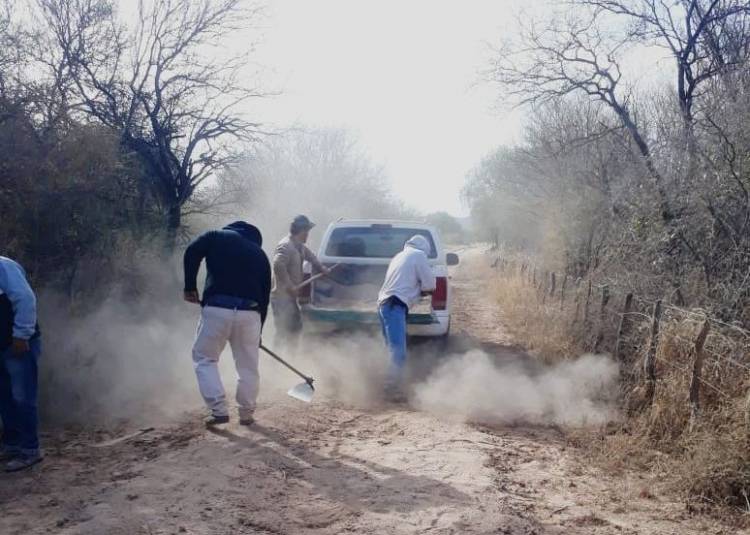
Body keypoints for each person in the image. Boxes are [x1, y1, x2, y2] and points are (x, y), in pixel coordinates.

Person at [183, 221, 271, 427]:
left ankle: (219, 410)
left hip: (217, 310)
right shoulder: (260, 254)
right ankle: (247, 413)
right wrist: (259, 332)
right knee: (248, 366)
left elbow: (192, 251)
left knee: (205, 358)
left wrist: (189, 286)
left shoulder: (215, 236)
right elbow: (265, 297)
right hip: (251, 314)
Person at [377, 235, 436, 399]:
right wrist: (422, 289)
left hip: (383, 304)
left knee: (389, 349)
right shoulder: (419, 255)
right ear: (424, 248)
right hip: (394, 306)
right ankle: (391, 389)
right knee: (398, 352)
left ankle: (381, 382)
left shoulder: (399, 256)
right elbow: (430, 285)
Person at [0, 256, 43, 472]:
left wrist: (22, 335)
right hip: (2, 345)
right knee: (5, 397)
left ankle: (30, 450)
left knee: (23, 397)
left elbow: (25, 299)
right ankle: (12, 444)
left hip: (18, 345)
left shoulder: (3, 266)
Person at [271, 215, 330, 350]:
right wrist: (289, 285)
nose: (308, 235)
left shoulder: (300, 247)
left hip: (289, 298)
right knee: (282, 331)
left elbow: (311, 257)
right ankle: (275, 362)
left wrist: (322, 268)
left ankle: (291, 359)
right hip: (280, 297)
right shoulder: (286, 245)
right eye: (307, 231)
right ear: (301, 231)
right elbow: (278, 264)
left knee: (295, 329)